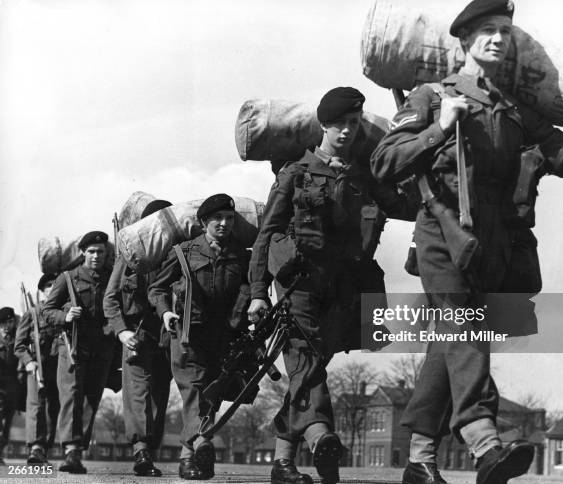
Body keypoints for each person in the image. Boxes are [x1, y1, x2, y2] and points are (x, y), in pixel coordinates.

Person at [370, 0, 563, 483]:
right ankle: (484, 441)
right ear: (463, 41)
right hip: (442, 234)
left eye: (505, 31)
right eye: (487, 30)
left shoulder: (516, 110)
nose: (499, 38)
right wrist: (439, 128)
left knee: (452, 342)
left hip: (493, 246)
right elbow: (384, 162)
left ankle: (419, 458)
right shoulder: (432, 96)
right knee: (462, 329)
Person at [247, 87, 416, 484]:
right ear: (323, 125)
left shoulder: (365, 175)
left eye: (354, 124)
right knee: (305, 363)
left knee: (311, 369)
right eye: (340, 123)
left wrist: (419, 162)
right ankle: (323, 438)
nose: (347, 131)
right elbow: (265, 235)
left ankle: (283, 464)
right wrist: (257, 293)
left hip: (344, 289)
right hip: (298, 287)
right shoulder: (295, 173)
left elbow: (405, 207)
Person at [148, 194, 251, 481]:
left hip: (225, 336)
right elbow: (156, 289)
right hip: (186, 335)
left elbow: (251, 288)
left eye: (229, 219)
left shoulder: (241, 255)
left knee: (211, 394)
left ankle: (188, 457)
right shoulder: (183, 252)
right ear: (204, 222)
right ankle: (202, 442)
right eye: (217, 219)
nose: (223, 224)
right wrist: (166, 312)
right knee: (194, 390)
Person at [103, 199, 173, 477]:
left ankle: (150, 448)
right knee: (137, 394)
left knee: (160, 394)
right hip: (137, 335)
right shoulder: (129, 255)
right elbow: (110, 299)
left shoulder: (179, 251)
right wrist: (122, 331)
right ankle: (141, 450)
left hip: (168, 337)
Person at [43, 231, 114, 474]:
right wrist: (65, 316)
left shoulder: (111, 277)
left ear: (106, 254)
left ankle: (79, 448)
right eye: (91, 252)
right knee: (72, 395)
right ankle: (71, 450)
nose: (96, 256)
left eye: (100, 252)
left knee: (92, 397)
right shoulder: (68, 278)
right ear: (83, 252)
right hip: (72, 345)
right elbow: (47, 310)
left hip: (101, 347)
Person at [14, 274, 60, 464]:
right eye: (48, 285)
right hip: (36, 368)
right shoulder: (32, 313)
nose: (52, 288)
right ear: (42, 291)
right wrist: (28, 361)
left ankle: (44, 448)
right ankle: (35, 448)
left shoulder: (61, 312)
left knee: (53, 409)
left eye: (55, 285)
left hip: (57, 369)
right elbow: (19, 345)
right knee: (36, 406)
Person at [0, 307, 19, 465]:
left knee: (7, 422)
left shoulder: (18, 338)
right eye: (3, 323)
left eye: (9, 322)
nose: (6, 326)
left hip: (13, 387)